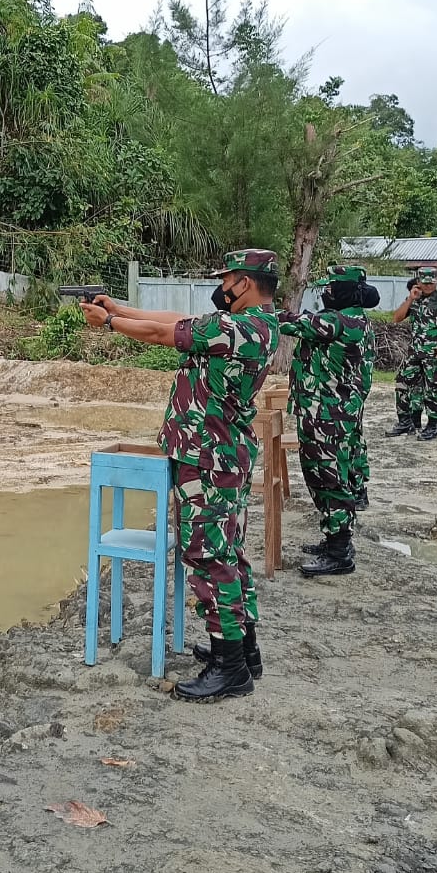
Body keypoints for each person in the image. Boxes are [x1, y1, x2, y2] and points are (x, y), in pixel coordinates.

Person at [80, 249, 280, 703]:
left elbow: (160, 332)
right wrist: (119, 308)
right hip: (222, 454)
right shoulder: (255, 325)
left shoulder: (236, 327)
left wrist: (108, 324)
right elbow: (176, 320)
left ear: (245, 283)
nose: (222, 287)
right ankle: (243, 651)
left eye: (227, 279)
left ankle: (230, 668)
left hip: (208, 458)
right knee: (229, 552)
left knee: (209, 556)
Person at [279, 264, 379, 579]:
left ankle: (339, 553)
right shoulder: (357, 320)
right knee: (332, 477)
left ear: (347, 291)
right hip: (335, 415)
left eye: (332, 288)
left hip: (327, 418)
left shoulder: (339, 322)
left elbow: (292, 322)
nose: (326, 293)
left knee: (328, 480)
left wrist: (261, 311)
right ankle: (335, 541)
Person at [386, 265, 437, 441]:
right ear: (418, 282)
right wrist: (410, 298)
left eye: (432, 283)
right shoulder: (414, 300)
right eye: (425, 283)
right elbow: (397, 318)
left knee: (433, 390)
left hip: (434, 355)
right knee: (402, 384)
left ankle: (433, 426)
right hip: (414, 353)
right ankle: (405, 422)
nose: (428, 286)